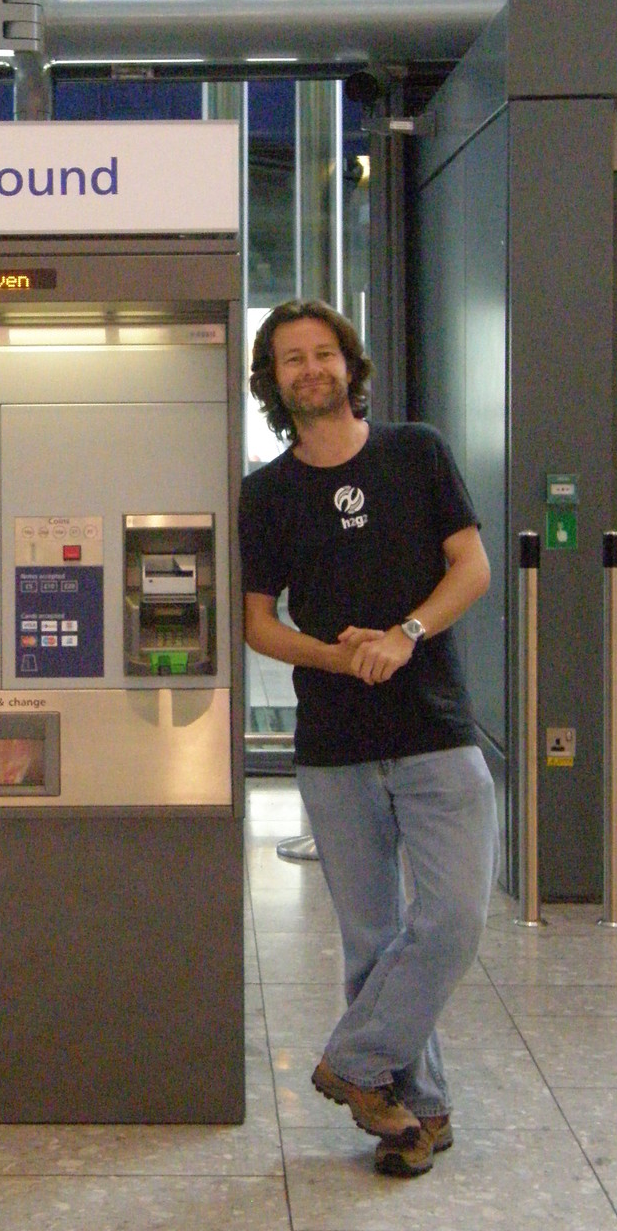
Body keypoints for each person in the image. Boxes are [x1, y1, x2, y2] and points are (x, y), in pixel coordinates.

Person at [238, 299, 498, 1179]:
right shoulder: (266, 493)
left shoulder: (416, 451)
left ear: (350, 365)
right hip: (335, 744)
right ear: (272, 382)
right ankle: (414, 1115)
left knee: (454, 918)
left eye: (322, 354)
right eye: (290, 360)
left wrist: (404, 637)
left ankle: (351, 1064)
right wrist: (335, 658)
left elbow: (473, 567)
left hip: (434, 727)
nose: (310, 369)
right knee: (373, 938)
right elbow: (257, 624)